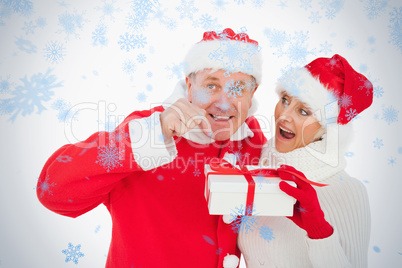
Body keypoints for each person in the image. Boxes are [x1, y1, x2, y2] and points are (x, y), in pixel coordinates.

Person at [36, 28, 266, 268]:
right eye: (211, 85)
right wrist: (154, 133)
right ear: (189, 86)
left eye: (238, 88)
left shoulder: (251, 139)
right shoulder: (148, 129)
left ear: (252, 94)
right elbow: (52, 191)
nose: (223, 102)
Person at [238, 54, 372, 267]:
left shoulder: (347, 191)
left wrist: (319, 232)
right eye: (285, 100)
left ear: (327, 128)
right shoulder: (261, 162)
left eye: (303, 111)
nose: (284, 115)